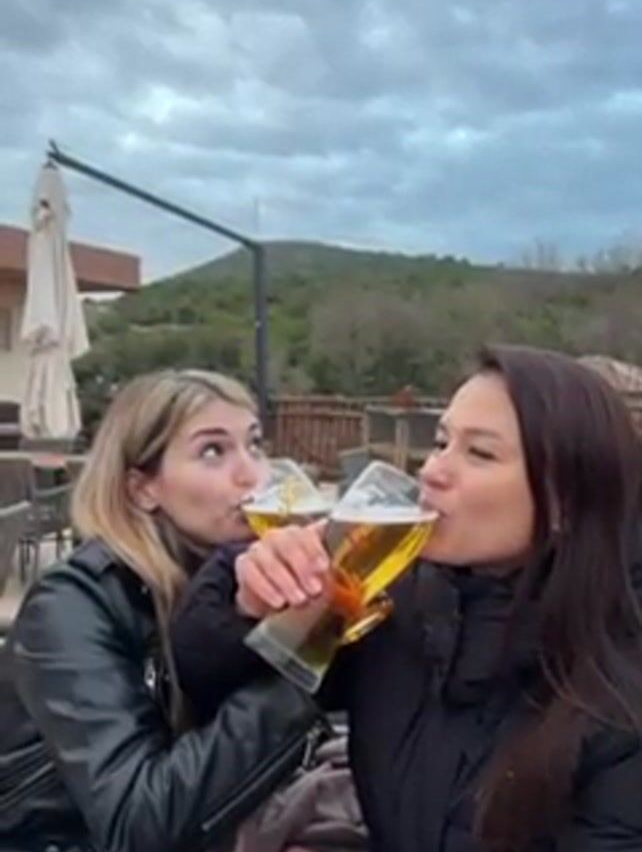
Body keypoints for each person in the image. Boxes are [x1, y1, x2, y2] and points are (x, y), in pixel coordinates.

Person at [170, 345, 642, 852]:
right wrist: (248, 603)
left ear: (564, 501)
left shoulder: (619, 692)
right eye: (441, 442)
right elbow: (210, 680)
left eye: (479, 453)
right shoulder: (397, 605)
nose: (433, 470)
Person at [0, 370, 319, 852]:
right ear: (142, 489)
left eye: (254, 445)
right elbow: (138, 825)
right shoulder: (72, 606)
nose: (252, 474)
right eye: (212, 451)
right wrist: (303, 656)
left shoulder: (232, 584)